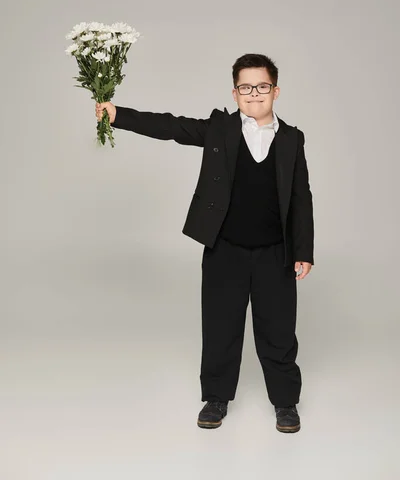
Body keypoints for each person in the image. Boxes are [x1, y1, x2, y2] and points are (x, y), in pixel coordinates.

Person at [95, 53, 314, 433]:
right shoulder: (219, 129)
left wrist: (303, 251)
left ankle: (286, 403)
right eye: (245, 87)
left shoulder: (293, 138)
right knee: (220, 326)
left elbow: (300, 197)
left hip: (274, 253)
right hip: (224, 248)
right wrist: (118, 115)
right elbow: (172, 126)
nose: (254, 94)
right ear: (234, 93)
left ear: (275, 91)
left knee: (278, 331)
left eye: (262, 86)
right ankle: (216, 398)